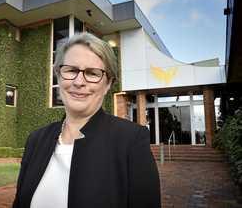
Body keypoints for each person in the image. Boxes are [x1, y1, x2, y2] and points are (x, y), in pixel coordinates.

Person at [12, 32, 161, 208]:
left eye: (92, 73)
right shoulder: (36, 140)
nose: (79, 81)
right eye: (71, 70)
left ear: (107, 84)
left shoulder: (131, 140)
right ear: (59, 77)